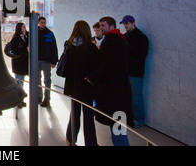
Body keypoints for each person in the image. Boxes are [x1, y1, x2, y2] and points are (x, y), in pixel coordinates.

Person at [92, 16, 133, 146]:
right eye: (100, 25)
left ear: (111, 26)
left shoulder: (111, 41)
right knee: (116, 122)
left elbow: (106, 64)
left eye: (103, 25)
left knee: (117, 123)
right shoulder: (118, 39)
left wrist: (93, 77)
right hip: (118, 88)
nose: (101, 28)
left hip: (114, 90)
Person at [63, 20, 99, 146]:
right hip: (86, 85)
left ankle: (70, 138)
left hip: (73, 85)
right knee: (88, 116)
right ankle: (91, 143)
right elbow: (95, 66)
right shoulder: (91, 46)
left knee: (74, 113)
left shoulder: (68, 45)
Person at [120, 15, 149, 128]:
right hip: (125, 70)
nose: (125, 26)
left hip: (135, 71)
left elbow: (142, 53)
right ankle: (129, 117)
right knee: (127, 95)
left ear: (133, 23)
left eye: (127, 23)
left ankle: (138, 119)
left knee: (136, 96)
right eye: (124, 24)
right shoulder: (124, 36)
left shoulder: (141, 37)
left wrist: (127, 47)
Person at [37, 16, 58, 107]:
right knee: (37, 80)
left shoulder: (49, 34)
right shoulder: (34, 33)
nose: (43, 24)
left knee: (47, 80)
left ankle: (47, 99)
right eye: (41, 22)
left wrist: (54, 61)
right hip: (36, 61)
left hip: (46, 61)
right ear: (38, 23)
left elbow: (54, 48)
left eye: (44, 22)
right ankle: (38, 97)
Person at [10, 22, 29, 108]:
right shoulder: (15, 39)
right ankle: (18, 101)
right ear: (19, 28)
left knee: (22, 82)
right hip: (18, 64)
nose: (25, 28)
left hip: (23, 63)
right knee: (19, 82)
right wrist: (25, 49)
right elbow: (15, 51)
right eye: (23, 27)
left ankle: (21, 100)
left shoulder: (25, 37)